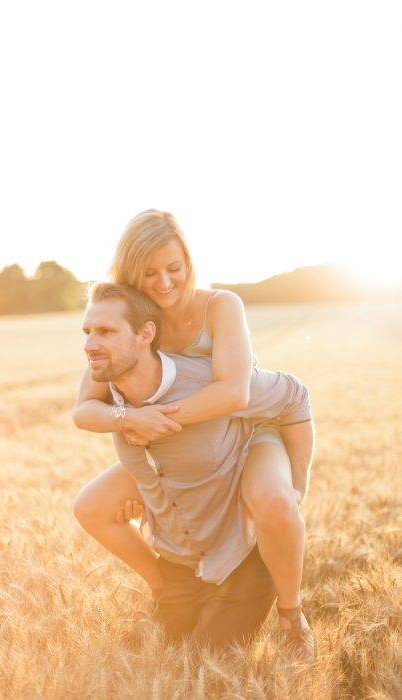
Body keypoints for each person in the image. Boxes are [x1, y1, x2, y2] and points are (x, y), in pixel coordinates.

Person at [73, 210, 315, 657]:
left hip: (253, 423)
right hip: (187, 441)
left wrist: (156, 420)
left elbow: (236, 393)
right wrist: (131, 425)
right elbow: (85, 407)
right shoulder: (136, 320)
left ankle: (291, 615)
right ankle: (165, 585)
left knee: (274, 501)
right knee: (92, 505)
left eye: (175, 268)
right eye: (149, 273)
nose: (164, 282)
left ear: (189, 263)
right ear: (130, 274)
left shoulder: (220, 306)